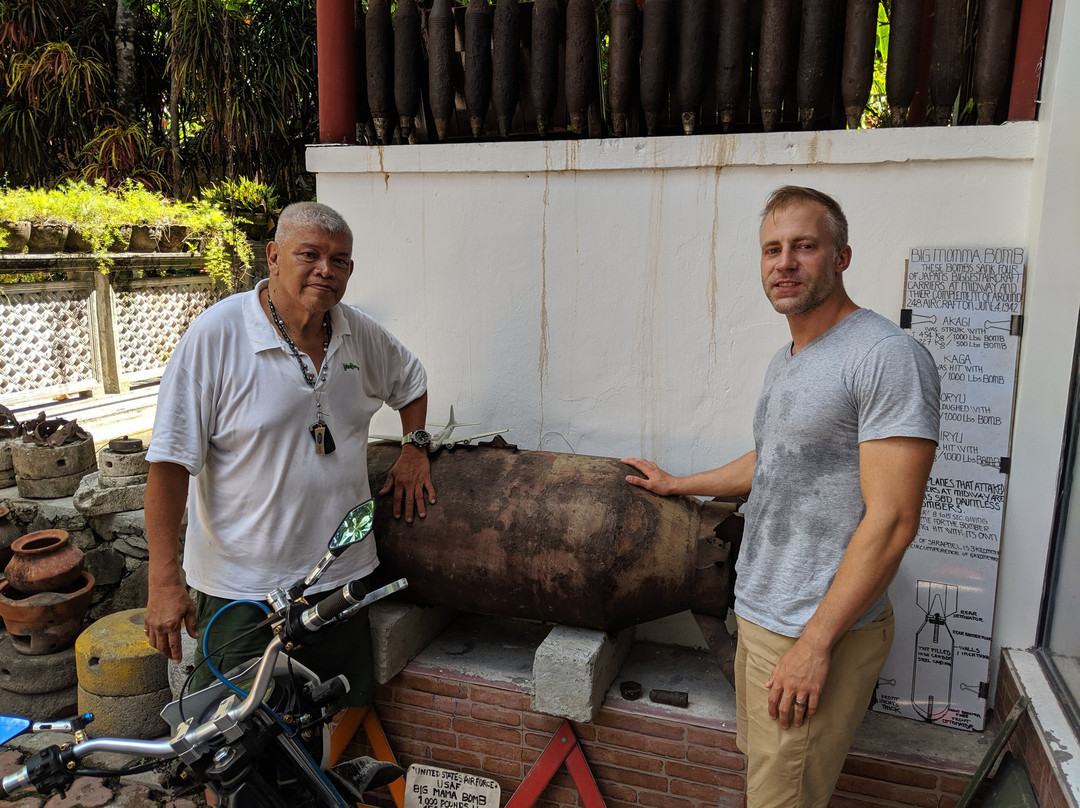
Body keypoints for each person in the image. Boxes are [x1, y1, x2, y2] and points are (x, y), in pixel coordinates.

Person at [623, 186, 939, 807]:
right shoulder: (788, 357)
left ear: (841, 257)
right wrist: (679, 484)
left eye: (804, 247)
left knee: (783, 798)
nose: (785, 263)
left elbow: (895, 521)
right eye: (773, 249)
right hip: (765, 616)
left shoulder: (886, 357)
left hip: (814, 630)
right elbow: (776, 460)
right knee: (769, 781)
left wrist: (815, 645)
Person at [143, 201, 436, 706]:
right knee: (233, 742)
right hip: (243, 588)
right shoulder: (217, 336)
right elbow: (170, 465)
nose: (326, 269)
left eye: (340, 260)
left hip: (340, 579)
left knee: (328, 717)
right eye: (310, 254)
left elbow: (411, 383)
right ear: (273, 257)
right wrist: (163, 580)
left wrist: (415, 448)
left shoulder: (358, 333)